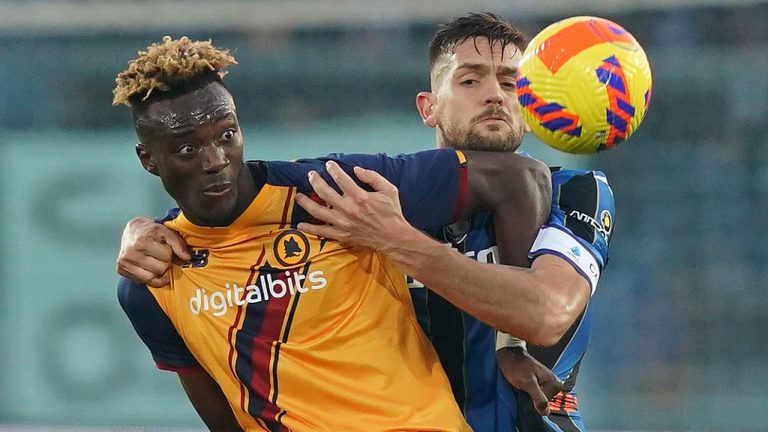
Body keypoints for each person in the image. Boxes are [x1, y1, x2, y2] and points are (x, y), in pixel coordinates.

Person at [113, 36, 552, 431]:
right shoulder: (155, 277)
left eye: (227, 135)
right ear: (148, 160)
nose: (215, 160)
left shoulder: (332, 189)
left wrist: (510, 342)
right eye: (188, 149)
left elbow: (521, 179)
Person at [294, 13, 615, 432]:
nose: (495, 96)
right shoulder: (380, 203)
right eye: (470, 81)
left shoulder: (574, 192)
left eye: (510, 83)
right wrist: (179, 229)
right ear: (429, 108)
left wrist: (400, 242)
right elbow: (244, 199)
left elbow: (546, 313)